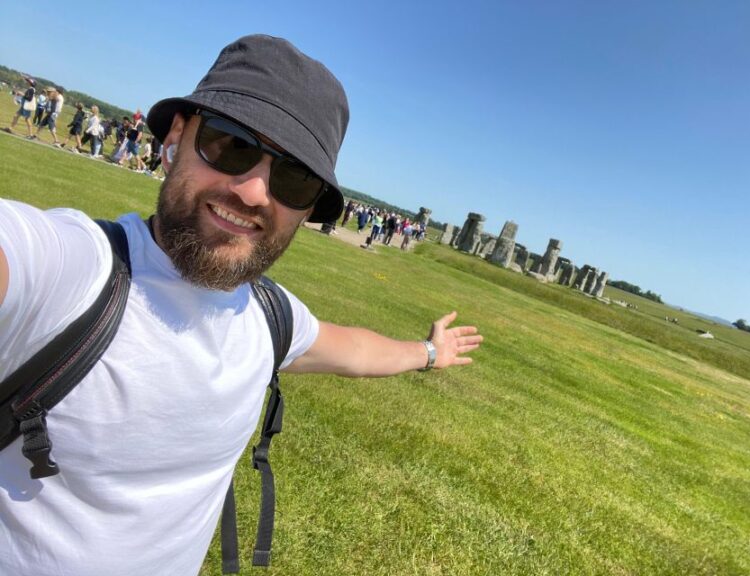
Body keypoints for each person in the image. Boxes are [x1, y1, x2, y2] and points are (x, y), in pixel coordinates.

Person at [0, 35, 482, 576]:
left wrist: (429, 351)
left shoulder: (269, 318)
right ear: (178, 135)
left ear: (307, 210)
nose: (254, 192)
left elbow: (353, 348)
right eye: (232, 144)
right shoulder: (73, 272)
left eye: (294, 179)